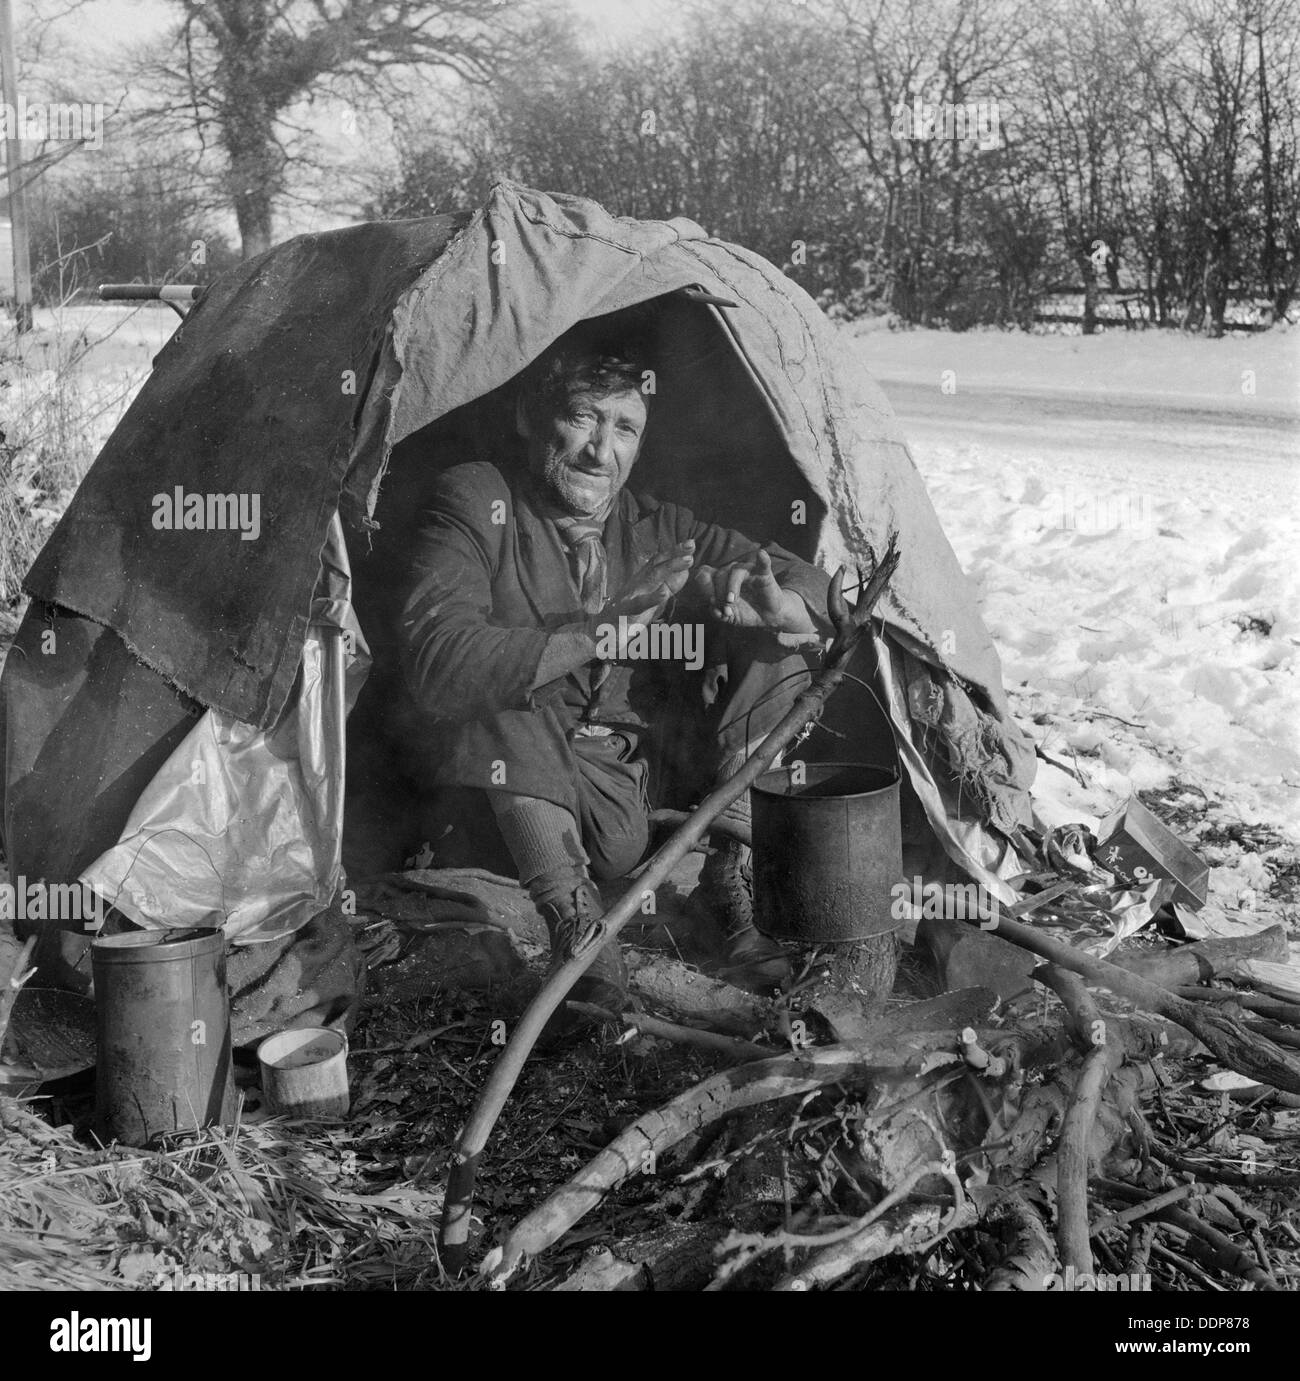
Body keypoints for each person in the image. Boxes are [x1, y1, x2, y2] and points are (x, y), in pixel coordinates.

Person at [396, 327, 833, 1013]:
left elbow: (817, 587)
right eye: (582, 418)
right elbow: (437, 658)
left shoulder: (657, 525)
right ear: (528, 418)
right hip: (504, 805)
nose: (602, 450)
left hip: (618, 799)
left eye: (625, 427)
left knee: (777, 644)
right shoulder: (477, 500)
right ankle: (580, 939)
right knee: (503, 674)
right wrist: (597, 632)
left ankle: (731, 886)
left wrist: (782, 606)